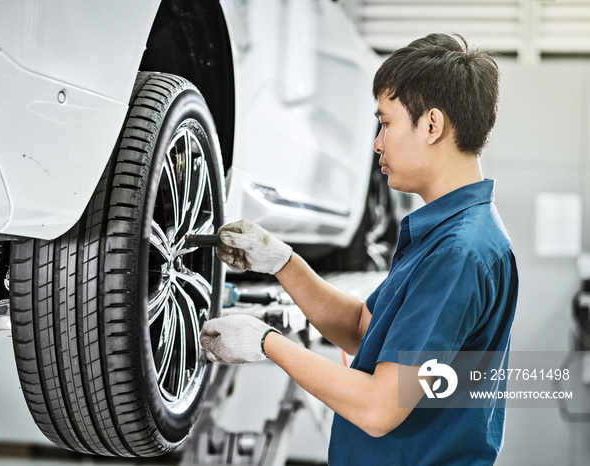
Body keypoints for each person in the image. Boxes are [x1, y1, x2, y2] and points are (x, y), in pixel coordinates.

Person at [200, 33, 518, 465]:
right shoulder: (447, 233)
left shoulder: (459, 253)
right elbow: (362, 328)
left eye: (385, 123)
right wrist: (283, 262)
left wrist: (266, 342)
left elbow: (378, 407)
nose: (376, 143)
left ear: (432, 125)